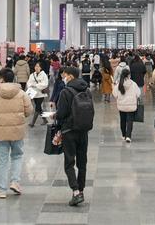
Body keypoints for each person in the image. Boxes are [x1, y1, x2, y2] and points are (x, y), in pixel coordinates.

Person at [0, 68, 33, 199]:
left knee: (1, 161)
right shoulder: (22, 94)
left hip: (0, 133)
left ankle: (1, 190)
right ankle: (15, 182)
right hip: (17, 131)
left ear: (1, 79)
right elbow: (29, 111)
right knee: (17, 156)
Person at [55, 66, 94, 207]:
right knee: (82, 162)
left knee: (69, 163)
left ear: (70, 76)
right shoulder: (87, 90)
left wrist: (54, 115)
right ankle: (81, 190)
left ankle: (75, 191)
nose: (63, 77)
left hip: (69, 131)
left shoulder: (66, 92)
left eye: (64, 74)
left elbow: (61, 114)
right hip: (83, 130)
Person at [112, 68, 140, 143]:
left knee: (122, 120)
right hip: (131, 106)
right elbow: (138, 94)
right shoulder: (133, 84)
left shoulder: (119, 84)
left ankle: (124, 134)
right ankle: (128, 136)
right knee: (130, 121)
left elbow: (114, 94)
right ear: (129, 75)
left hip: (121, 106)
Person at [28, 63, 50, 128]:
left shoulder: (44, 75)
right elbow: (29, 82)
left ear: (41, 67)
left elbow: (45, 84)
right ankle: (45, 120)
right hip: (34, 93)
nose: (36, 67)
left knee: (37, 108)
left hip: (41, 94)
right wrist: (31, 85)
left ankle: (32, 123)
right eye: (36, 66)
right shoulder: (32, 75)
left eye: (38, 66)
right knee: (39, 108)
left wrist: (35, 85)